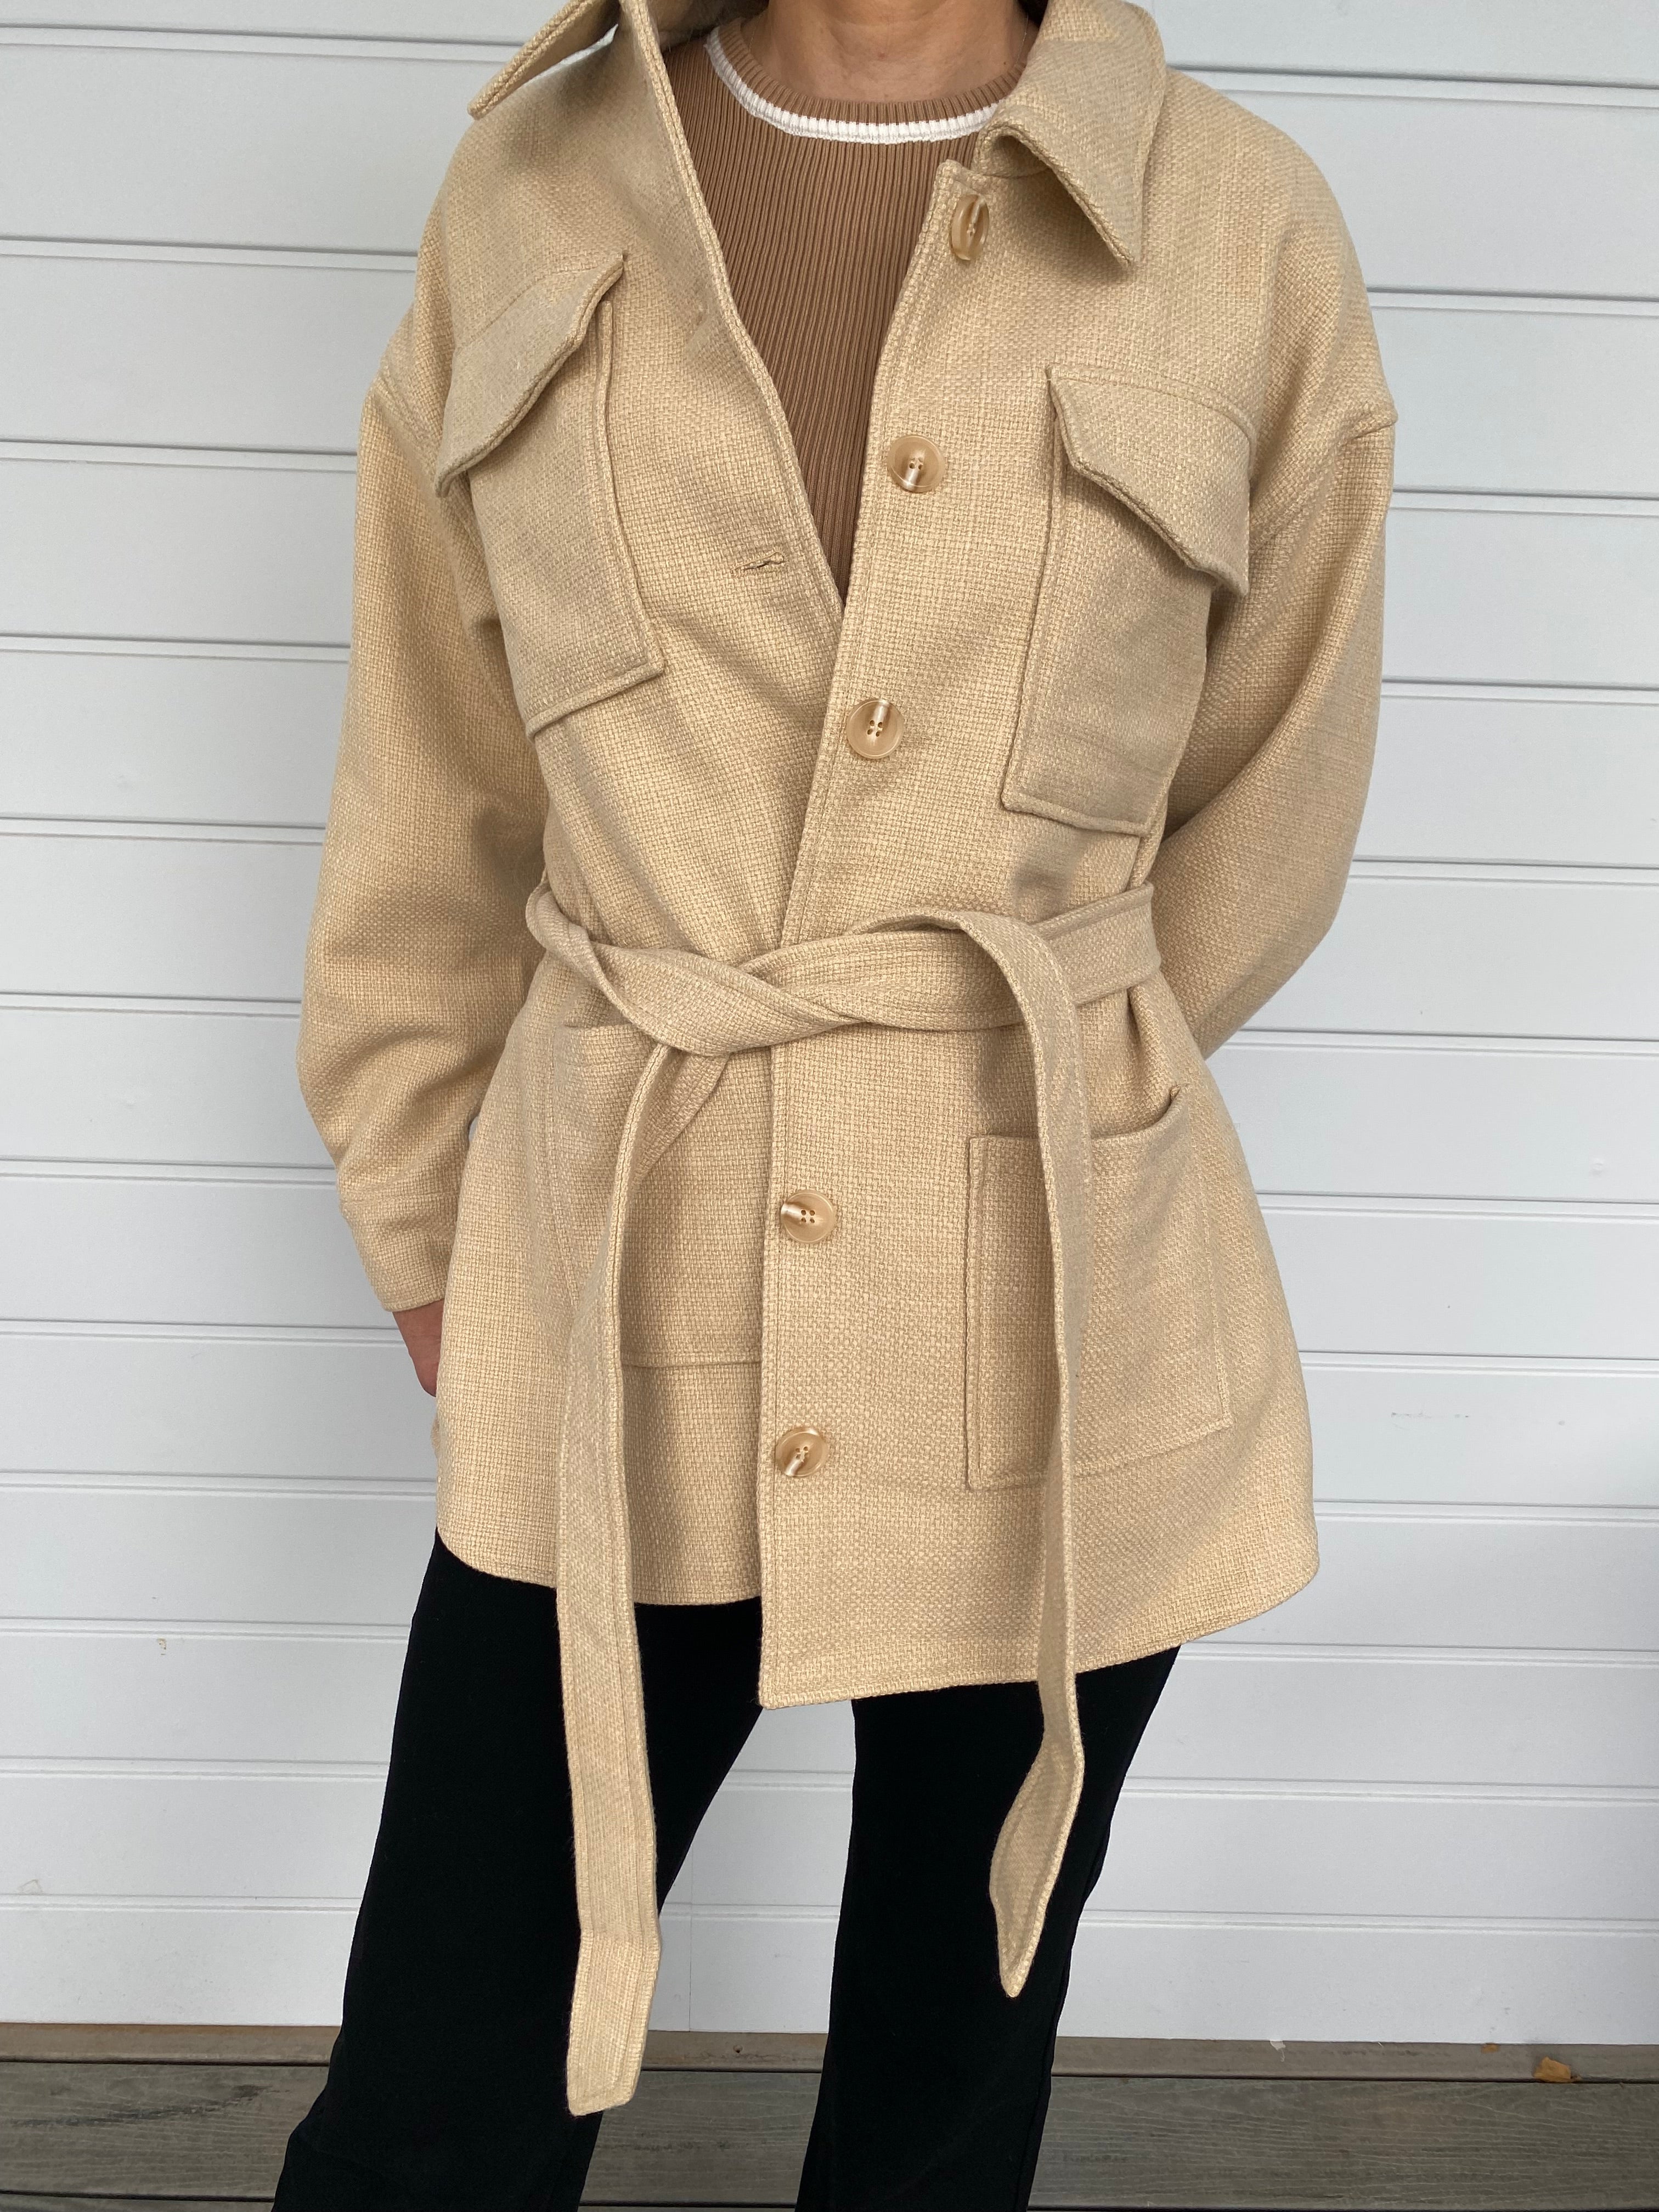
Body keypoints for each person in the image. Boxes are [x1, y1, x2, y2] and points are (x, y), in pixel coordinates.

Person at [273, 0, 1395, 2202]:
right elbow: (432, 777)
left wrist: (1028, 1086)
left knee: (947, 2084)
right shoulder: (527, 188)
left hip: (1052, 1295)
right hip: (614, 1266)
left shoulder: (1240, 222)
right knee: (443, 2071)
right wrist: (426, 1225)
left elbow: (1275, 793)